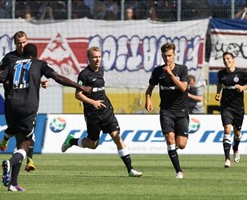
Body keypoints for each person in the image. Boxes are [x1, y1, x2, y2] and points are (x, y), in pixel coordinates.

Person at [0, 43, 91, 191]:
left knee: (18, 141)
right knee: (25, 144)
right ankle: (9, 163)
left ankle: (13, 183)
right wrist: (80, 87)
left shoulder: (12, 64)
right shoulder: (39, 64)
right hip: (28, 108)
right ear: (36, 55)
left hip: (10, 106)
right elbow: (57, 77)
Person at [61, 46, 142, 177]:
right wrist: (93, 102)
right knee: (93, 145)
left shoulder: (101, 70)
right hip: (92, 115)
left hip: (107, 112)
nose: (98, 59)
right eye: (95, 57)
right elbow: (78, 95)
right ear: (89, 58)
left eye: (99, 57)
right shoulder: (84, 75)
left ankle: (130, 169)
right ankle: (71, 141)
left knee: (117, 137)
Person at [0, 31, 48, 172]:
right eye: (19, 43)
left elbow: (30, 75)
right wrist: (7, 80)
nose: (22, 45)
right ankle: (8, 141)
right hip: (12, 101)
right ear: (15, 44)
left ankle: (28, 161)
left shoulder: (30, 57)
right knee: (19, 135)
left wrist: (40, 81)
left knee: (30, 132)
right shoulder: (10, 58)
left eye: (24, 42)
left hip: (28, 101)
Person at [145, 42, 189, 179]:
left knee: (181, 145)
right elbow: (150, 89)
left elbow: (183, 88)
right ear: (162, 56)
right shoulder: (158, 71)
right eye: (165, 56)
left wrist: (171, 75)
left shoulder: (182, 69)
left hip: (181, 111)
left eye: (170, 56)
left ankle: (175, 149)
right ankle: (179, 171)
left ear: (174, 55)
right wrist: (148, 99)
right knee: (170, 140)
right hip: (166, 111)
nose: (167, 59)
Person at [215, 52, 247, 168]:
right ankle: (227, 159)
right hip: (226, 107)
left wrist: (242, 87)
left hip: (238, 107)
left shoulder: (241, 73)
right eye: (224, 59)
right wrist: (218, 93)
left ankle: (235, 147)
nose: (226, 61)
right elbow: (219, 83)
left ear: (233, 60)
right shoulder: (221, 73)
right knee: (227, 129)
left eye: (228, 58)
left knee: (237, 132)